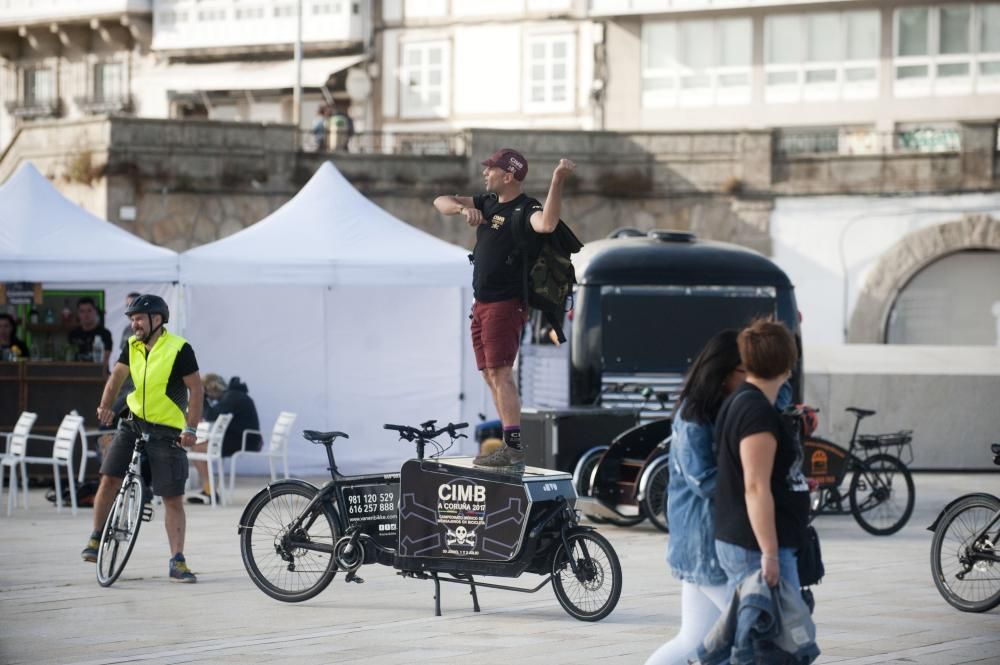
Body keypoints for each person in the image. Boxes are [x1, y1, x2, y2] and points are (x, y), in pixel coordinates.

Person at [433, 149, 575, 471]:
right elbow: (439, 201)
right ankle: (509, 447)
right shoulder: (487, 202)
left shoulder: (527, 208)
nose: (485, 174)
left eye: (491, 169)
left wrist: (557, 180)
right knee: (488, 374)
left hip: (504, 304)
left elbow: (548, 223)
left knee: (500, 373)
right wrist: (460, 210)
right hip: (481, 305)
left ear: (508, 175)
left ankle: (512, 449)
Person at [81, 294, 204, 583]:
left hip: (167, 431)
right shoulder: (132, 346)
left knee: (172, 498)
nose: (134, 324)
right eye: (132, 319)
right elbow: (117, 377)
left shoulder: (179, 349)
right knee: (109, 478)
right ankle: (96, 537)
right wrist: (105, 405)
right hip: (133, 422)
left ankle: (177, 560)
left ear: (157, 320)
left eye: (138, 318)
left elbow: (196, 390)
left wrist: (191, 428)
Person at [645, 330, 746, 665]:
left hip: (705, 540)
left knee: (694, 640)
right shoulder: (694, 415)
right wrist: (757, 483)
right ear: (722, 372)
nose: (751, 379)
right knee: (750, 628)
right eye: (745, 370)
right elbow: (702, 479)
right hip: (701, 542)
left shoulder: (719, 406)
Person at [714, 319, 810, 595]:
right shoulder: (756, 412)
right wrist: (770, 553)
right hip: (754, 548)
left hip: (748, 542)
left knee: (764, 632)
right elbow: (755, 486)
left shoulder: (743, 401)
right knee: (779, 633)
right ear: (785, 365)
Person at [187, 373, 262, 504]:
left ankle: (210, 492)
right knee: (197, 448)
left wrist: (201, 396)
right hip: (244, 439)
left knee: (196, 450)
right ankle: (209, 491)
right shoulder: (234, 395)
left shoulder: (232, 397)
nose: (211, 399)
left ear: (211, 389)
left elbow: (210, 415)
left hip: (244, 441)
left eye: (208, 393)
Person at [67, 297, 113, 363]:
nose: (86, 314)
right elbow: (69, 359)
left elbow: (105, 361)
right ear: (78, 314)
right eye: (82, 311)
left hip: (98, 372)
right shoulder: (73, 334)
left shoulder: (105, 334)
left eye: (89, 310)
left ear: (95, 311)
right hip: (77, 372)